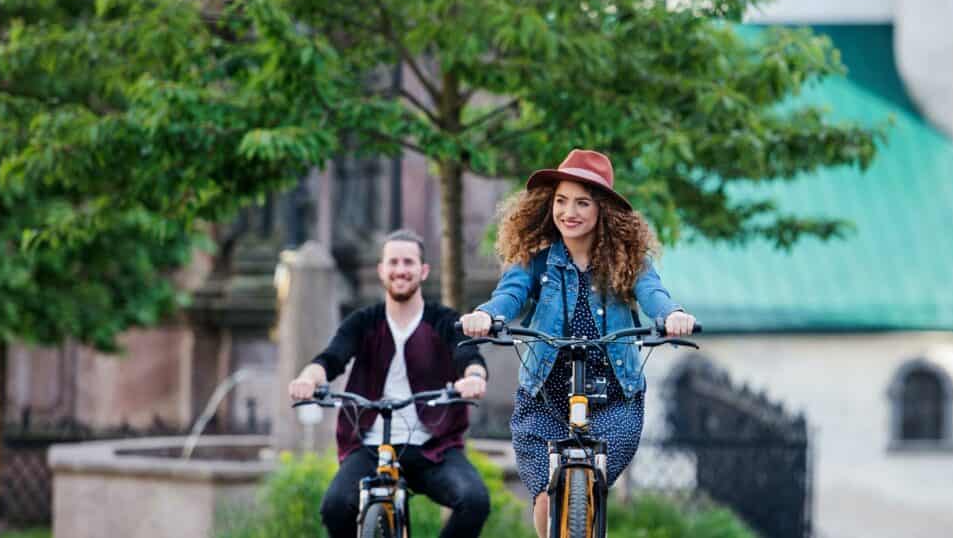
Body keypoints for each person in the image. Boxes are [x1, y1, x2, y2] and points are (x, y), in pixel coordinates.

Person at [460, 149, 696, 537]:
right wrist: (487, 315)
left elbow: (652, 292)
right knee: (543, 497)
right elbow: (511, 293)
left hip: (613, 396)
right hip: (544, 395)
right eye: (561, 201)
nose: (569, 212)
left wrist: (670, 316)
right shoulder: (536, 259)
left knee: (593, 478)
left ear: (603, 210)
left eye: (582, 202)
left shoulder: (627, 259)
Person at [288, 229, 490, 538]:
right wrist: (307, 378)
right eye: (393, 262)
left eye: (408, 262)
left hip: (431, 447)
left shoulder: (441, 318)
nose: (400, 270)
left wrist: (474, 378)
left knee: (474, 501)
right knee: (334, 508)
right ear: (381, 270)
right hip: (369, 446)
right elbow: (331, 359)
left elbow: (468, 354)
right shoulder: (364, 321)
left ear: (423, 270)